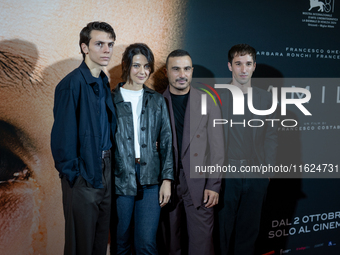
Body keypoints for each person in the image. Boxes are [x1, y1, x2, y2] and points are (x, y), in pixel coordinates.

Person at [50, 21, 116, 255]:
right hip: (83, 173)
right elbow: (62, 137)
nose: (107, 49)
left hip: (105, 169)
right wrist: (74, 175)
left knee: (99, 242)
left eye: (110, 44)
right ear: (84, 47)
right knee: (81, 246)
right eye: (99, 44)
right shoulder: (71, 84)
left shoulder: (103, 81)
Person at [111, 43, 173, 255]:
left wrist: (167, 180)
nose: (142, 71)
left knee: (147, 244)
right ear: (126, 66)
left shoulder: (156, 100)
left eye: (147, 66)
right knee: (121, 243)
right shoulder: (111, 99)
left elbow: (166, 141)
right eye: (137, 65)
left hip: (151, 179)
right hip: (120, 178)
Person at [161, 49, 224, 255]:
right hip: (167, 183)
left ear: (192, 71)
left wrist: (214, 184)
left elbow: (218, 148)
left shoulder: (208, 102)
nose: (182, 74)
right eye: (176, 69)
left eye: (187, 69)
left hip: (200, 183)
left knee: (202, 244)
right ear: (166, 72)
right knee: (171, 242)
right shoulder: (156, 103)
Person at [216, 44, 278, 255]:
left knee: (248, 235)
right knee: (221, 234)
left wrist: (267, 170)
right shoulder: (215, 97)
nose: (243, 69)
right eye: (238, 63)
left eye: (248, 64)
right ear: (229, 66)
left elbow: (272, 135)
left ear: (254, 67)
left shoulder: (266, 98)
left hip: (255, 175)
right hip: (226, 176)